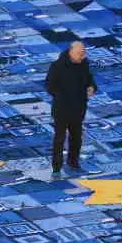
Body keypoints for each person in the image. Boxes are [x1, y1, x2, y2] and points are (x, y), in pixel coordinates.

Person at [46, 40, 96, 176]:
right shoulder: (57, 66)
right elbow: (50, 86)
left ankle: (73, 162)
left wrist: (92, 87)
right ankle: (57, 167)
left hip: (79, 107)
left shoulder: (84, 64)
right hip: (62, 108)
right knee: (60, 138)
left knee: (76, 137)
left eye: (84, 53)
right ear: (71, 52)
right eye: (80, 54)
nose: (83, 56)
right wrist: (65, 96)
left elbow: (90, 79)